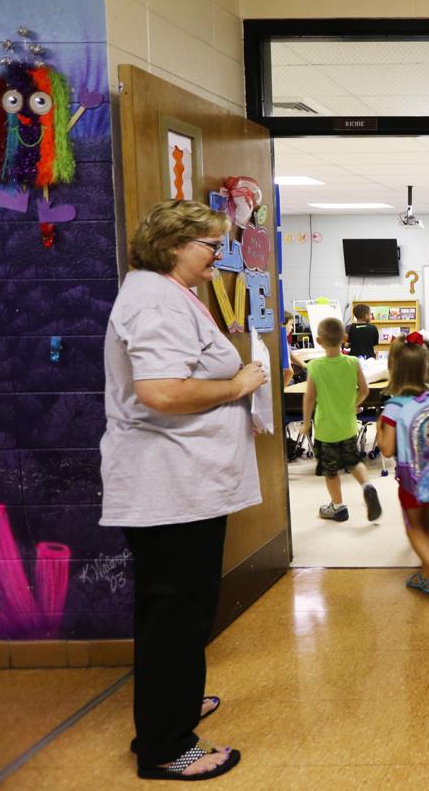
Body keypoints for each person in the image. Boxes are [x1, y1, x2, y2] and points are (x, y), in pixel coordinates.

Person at [101, 200, 266, 780]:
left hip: (184, 483)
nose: (217, 256)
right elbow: (162, 393)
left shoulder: (164, 292)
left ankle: (165, 710)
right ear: (174, 246)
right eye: (208, 246)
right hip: (168, 483)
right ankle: (168, 745)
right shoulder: (152, 298)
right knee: (176, 610)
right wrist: (238, 384)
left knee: (175, 609)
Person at [377, 333, 429, 611]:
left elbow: (387, 450)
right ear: (427, 364)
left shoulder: (394, 406)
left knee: (414, 529)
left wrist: (380, 428)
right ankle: (426, 575)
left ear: (394, 368)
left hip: (412, 477)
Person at [302, 317, 382, 524]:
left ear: (318, 341)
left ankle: (337, 507)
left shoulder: (315, 366)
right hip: (347, 426)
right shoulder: (352, 362)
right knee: (354, 461)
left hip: (325, 429)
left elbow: (309, 397)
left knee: (331, 470)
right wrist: (354, 404)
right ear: (345, 338)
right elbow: (364, 390)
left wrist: (305, 422)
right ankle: (367, 487)